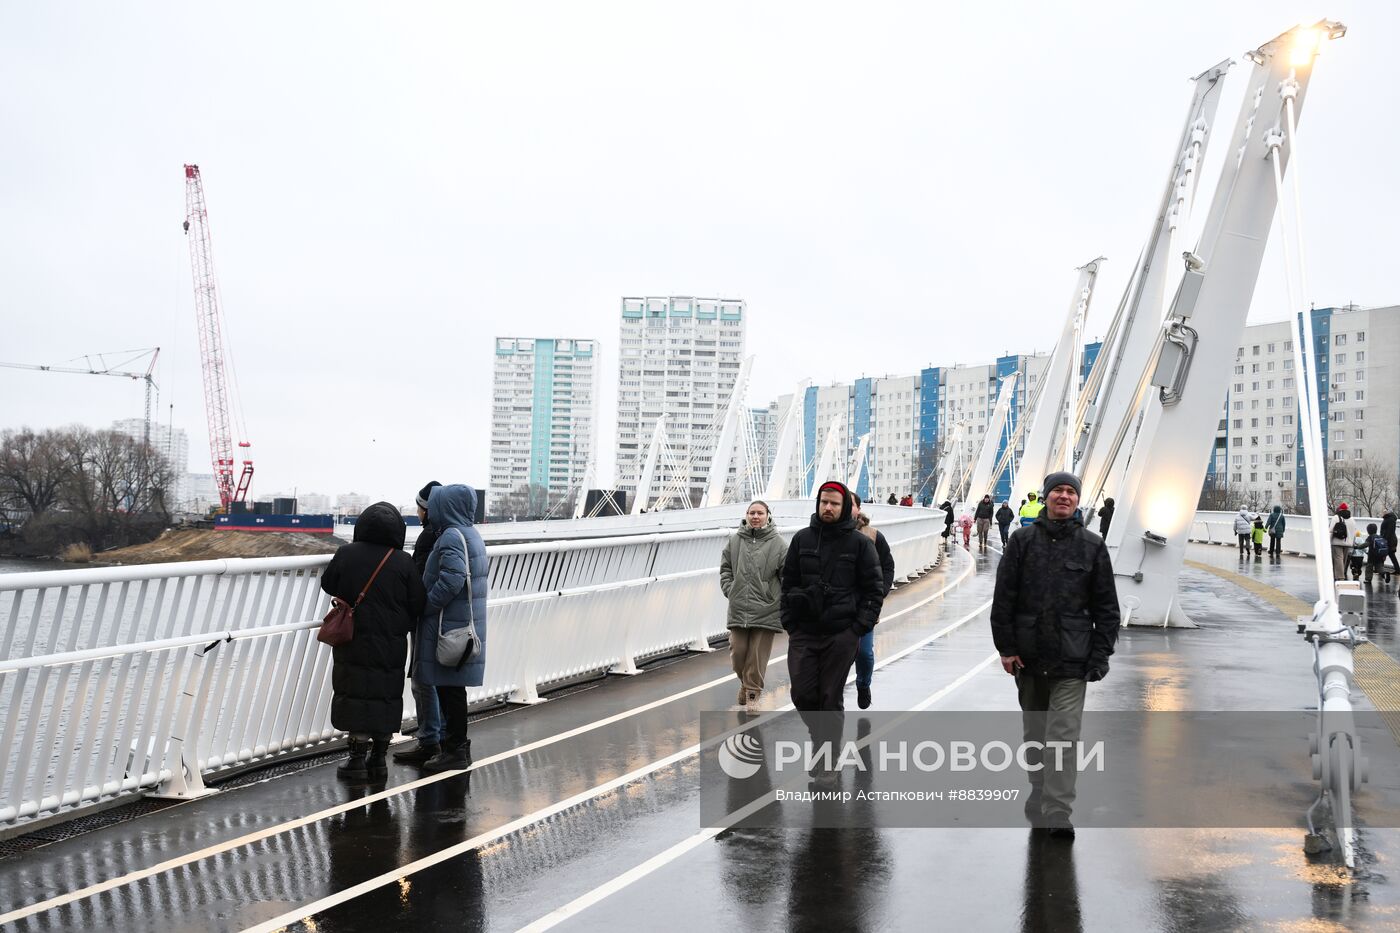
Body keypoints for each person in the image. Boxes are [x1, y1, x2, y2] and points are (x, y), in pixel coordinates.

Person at [990, 471, 1120, 840]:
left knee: (1062, 737)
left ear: (1078, 500)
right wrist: (1007, 649)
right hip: (1029, 659)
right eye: (1057, 491)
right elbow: (1004, 601)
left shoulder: (1092, 547)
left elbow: (1107, 609)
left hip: (1072, 661)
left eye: (1070, 492)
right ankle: (1038, 786)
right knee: (1035, 734)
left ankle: (1058, 810)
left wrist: (1100, 655)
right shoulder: (1021, 542)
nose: (1064, 496)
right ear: (1046, 497)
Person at [320, 502, 427, 781]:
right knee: (385, 692)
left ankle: (355, 760)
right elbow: (418, 601)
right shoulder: (403, 560)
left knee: (354, 689)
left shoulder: (346, 553)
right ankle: (378, 759)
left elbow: (329, 583)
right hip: (391, 641)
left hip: (353, 637)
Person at [780, 480, 885, 713]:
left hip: (841, 633)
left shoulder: (860, 544)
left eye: (834, 504)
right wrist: (790, 623)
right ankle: (822, 741)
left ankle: (827, 748)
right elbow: (788, 582)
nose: (828, 508)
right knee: (802, 695)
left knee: (829, 698)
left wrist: (857, 628)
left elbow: (874, 589)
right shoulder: (801, 539)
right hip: (804, 631)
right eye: (824, 502)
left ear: (845, 507)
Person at [416, 484, 489, 772]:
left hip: (448, 626)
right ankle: (456, 749)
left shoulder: (450, 537)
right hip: (462, 624)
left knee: (450, 691)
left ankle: (455, 750)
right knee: (453, 690)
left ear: (446, 507)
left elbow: (452, 580)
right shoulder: (471, 534)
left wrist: (427, 605)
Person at [395, 481, 445, 765]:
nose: (417, 512)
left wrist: (418, 606)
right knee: (440, 679)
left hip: (426, 615)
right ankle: (440, 738)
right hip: (444, 617)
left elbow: (421, 576)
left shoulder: (429, 536)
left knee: (423, 679)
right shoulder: (453, 532)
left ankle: (430, 741)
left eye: (420, 507)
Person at [720, 500, 786, 710]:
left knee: (757, 657)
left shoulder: (778, 544)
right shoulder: (735, 541)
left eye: (760, 513)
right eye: (752, 513)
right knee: (738, 654)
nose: (755, 517)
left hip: (766, 608)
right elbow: (726, 569)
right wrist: (731, 589)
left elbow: (787, 576)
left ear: (768, 516)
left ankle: (752, 695)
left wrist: (778, 598)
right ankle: (746, 685)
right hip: (739, 606)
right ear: (746, 515)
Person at [851, 493, 895, 710]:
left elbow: (887, 566)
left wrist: (880, 592)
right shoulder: (825, 533)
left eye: (850, 504)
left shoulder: (874, 536)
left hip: (866, 605)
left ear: (858, 508)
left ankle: (863, 684)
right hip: (834, 606)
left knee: (864, 652)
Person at [1329, 503, 1357, 582]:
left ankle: (1340, 577)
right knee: (1343, 560)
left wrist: (1328, 542)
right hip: (1348, 543)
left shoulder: (1336, 517)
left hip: (1337, 542)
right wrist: (1352, 542)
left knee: (1338, 559)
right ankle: (1341, 574)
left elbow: (1331, 530)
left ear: (1339, 509)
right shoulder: (1352, 519)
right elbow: (1354, 532)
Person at [1381, 508, 1400, 578]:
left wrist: (1384, 540)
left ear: (1388, 513)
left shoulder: (1390, 519)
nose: (1383, 513)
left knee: (1383, 554)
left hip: (1389, 541)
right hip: (1390, 540)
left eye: (1385, 512)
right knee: (1389, 555)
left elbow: (1389, 531)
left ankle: (1380, 570)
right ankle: (1397, 570)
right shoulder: (1389, 519)